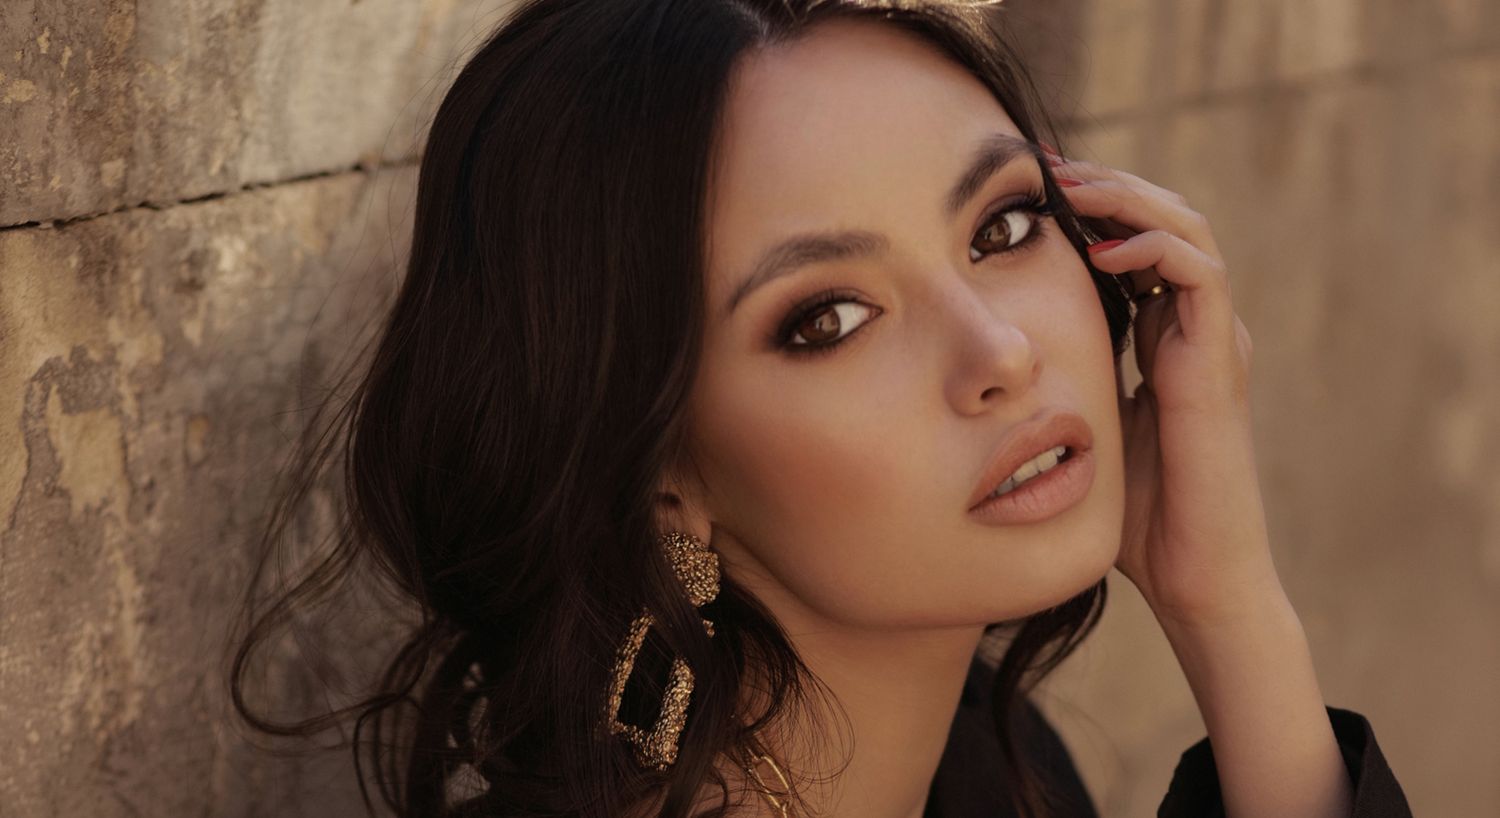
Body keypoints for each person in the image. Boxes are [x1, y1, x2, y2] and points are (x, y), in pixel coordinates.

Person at [228, 1, 1415, 816]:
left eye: (1002, 226)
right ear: (657, 469)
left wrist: (1229, 603)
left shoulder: (1000, 777)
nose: (1001, 350)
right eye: (828, 319)